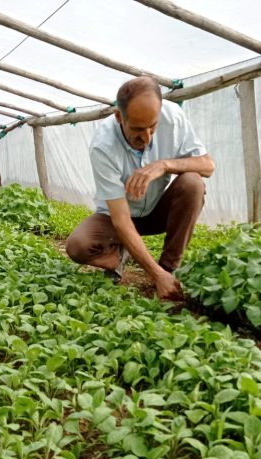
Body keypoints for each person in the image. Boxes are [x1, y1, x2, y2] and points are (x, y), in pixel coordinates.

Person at [65, 76, 215, 300]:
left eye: (152, 127)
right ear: (119, 117)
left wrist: (164, 165)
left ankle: (169, 268)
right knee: (78, 245)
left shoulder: (173, 117)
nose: (146, 137)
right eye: (137, 129)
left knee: (193, 183)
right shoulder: (103, 146)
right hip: (118, 217)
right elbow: (121, 218)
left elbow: (207, 165)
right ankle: (118, 255)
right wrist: (153, 275)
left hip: (156, 212)